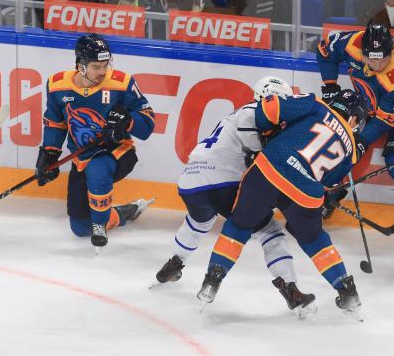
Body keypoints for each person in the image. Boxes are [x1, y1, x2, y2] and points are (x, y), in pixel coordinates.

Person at [196, 89, 370, 319]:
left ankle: (212, 280)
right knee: (314, 239)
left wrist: (268, 136)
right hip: (305, 193)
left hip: (269, 171)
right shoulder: (351, 151)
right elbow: (328, 183)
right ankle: (347, 292)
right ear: (355, 117)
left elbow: (269, 108)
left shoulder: (316, 105)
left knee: (239, 225)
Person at [155, 76, 317, 317]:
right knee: (270, 231)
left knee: (198, 223)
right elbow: (260, 156)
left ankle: (173, 265)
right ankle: (290, 290)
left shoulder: (234, 115)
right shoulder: (253, 113)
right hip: (224, 182)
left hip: (191, 180)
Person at [316, 23, 394, 248]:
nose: (376, 65)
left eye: (381, 60)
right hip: (370, 99)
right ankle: (332, 195)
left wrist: (361, 141)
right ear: (363, 51)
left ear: (391, 52)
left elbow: (386, 119)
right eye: (370, 59)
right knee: (342, 146)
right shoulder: (352, 43)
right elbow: (324, 51)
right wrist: (330, 86)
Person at [35, 33, 156, 247]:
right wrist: (49, 154)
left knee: (97, 168)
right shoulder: (57, 85)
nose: (103, 72)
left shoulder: (122, 83)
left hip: (118, 152)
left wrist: (128, 120)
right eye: (96, 67)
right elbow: (56, 123)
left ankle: (100, 225)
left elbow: (148, 123)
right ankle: (123, 212)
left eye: (105, 65)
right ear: (80, 66)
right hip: (81, 157)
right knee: (80, 227)